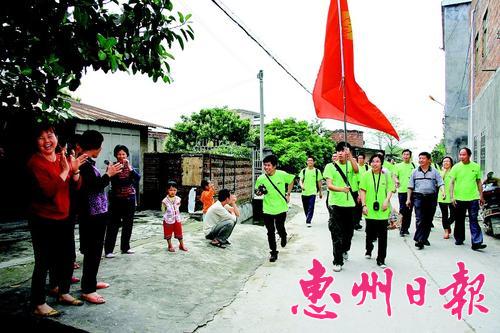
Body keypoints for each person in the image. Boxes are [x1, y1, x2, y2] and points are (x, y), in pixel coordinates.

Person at [27, 124, 87, 316]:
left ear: (56, 137)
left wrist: (75, 171)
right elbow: (48, 192)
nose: (47, 141)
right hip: (42, 219)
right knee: (43, 261)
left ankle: (64, 292)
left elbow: (76, 187)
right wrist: (64, 171)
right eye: (41, 137)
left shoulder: (61, 157)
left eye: (50, 136)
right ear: (35, 142)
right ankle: (38, 303)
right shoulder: (35, 163)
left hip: (64, 217)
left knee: (68, 258)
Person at [78, 130, 122, 304]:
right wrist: (108, 175)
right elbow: (94, 187)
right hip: (91, 215)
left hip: (97, 213)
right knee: (92, 252)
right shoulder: (84, 164)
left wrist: (107, 174)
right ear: (97, 147)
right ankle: (88, 289)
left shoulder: (88, 163)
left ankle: (91, 283)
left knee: (95, 252)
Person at [323, 142, 359, 272]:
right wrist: (341, 189)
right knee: (336, 232)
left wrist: (351, 158)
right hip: (335, 204)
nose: (340, 153)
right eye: (338, 151)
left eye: (343, 151)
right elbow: (330, 185)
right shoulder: (330, 167)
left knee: (348, 232)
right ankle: (337, 260)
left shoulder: (350, 164)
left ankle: (345, 249)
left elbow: (356, 170)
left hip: (349, 204)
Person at [254, 154, 295, 262]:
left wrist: (288, 193)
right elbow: (257, 191)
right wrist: (259, 192)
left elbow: (291, 180)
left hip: (281, 208)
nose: (266, 167)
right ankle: (273, 252)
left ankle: (283, 235)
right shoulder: (261, 178)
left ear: (274, 166)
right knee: (270, 231)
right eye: (264, 165)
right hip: (267, 209)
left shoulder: (282, 174)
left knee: (280, 227)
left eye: (268, 165)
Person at [104, 145, 141, 258]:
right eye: (119, 154)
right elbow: (111, 181)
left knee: (128, 224)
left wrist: (130, 169)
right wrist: (112, 170)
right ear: (116, 155)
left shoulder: (130, 167)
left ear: (127, 155)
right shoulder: (112, 166)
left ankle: (125, 248)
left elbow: (138, 178)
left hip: (129, 199)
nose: (121, 156)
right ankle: (109, 250)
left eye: (123, 154)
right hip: (116, 199)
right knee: (113, 225)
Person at [359, 153, 395, 268]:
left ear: (381, 163)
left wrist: (386, 200)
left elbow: (390, 189)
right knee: (369, 233)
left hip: (383, 210)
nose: (375, 164)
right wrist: (364, 205)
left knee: (383, 236)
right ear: (370, 163)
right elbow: (362, 191)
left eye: (377, 161)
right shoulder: (365, 175)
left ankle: (381, 259)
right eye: (373, 161)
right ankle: (369, 249)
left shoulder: (386, 175)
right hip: (369, 209)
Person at [449, 147, 487, 250]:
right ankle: (459, 238)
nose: (461, 156)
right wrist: (452, 197)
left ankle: (476, 242)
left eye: (464, 154)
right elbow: (451, 183)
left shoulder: (476, 166)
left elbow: (479, 182)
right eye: (460, 155)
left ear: (469, 155)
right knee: (459, 220)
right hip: (459, 198)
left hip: (473, 198)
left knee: (473, 220)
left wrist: (481, 196)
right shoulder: (456, 167)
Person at [406, 152, 445, 250]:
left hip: (431, 198)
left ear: (429, 160)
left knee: (428, 219)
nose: (421, 160)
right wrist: (408, 199)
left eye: (423, 158)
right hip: (418, 197)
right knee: (420, 219)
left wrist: (443, 192)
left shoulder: (435, 171)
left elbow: (440, 183)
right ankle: (419, 240)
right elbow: (410, 187)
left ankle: (423, 238)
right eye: (419, 158)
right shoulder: (414, 172)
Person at [394, 149, 416, 237]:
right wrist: (397, 181)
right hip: (402, 191)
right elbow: (394, 175)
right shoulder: (398, 166)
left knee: (409, 210)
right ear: (402, 156)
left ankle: (406, 228)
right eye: (404, 154)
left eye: (407, 154)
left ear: (410, 156)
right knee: (403, 209)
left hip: (413, 191)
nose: (406, 156)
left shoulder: (414, 166)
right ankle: (401, 227)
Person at [162, 181, 188, 252]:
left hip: (177, 218)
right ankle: (170, 245)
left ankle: (181, 245)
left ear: (177, 190)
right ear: (167, 190)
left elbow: (178, 206)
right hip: (168, 219)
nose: (172, 192)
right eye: (171, 190)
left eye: (174, 190)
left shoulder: (178, 199)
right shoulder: (165, 201)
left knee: (179, 232)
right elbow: (163, 211)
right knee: (168, 233)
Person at [299, 156, 323, 227]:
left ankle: (308, 220)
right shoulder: (303, 171)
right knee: (305, 207)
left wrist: (320, 192)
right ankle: (308, 217)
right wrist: (301, 186)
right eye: (308, 160)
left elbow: (319, 182)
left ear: (314, 162)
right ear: (306, 162)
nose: (310, 162)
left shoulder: (317, 171)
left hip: (313, 192)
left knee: (311, 207)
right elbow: (300, 180)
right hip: (304, 192)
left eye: (311, 160)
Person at [438, 156, 455, 239]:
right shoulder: (440, 172)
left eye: (448, 161)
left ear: (451, 163)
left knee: (453, 215)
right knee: (444, 215)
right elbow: (439, 182)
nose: (446, 163)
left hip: (453, 196)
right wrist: (444, 172)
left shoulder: (454, 171)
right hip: (442, 196)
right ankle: (446, 231)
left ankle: (447, 225)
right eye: (444, 161)